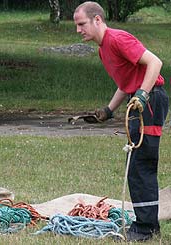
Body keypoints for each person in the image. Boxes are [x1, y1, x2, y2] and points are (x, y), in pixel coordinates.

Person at [73, 1, 169, 242]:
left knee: (141, 165)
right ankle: (147, 224)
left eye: (81, 24)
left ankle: (146, 229)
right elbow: (125, 81)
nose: (78, 30)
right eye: (76, 25)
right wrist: (107, 110)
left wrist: (142, 94)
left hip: (150, 101)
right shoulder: (103, 48)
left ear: (97, 20)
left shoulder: (117, 39)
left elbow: (155, 63)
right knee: (136, 165)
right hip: (139, 101)